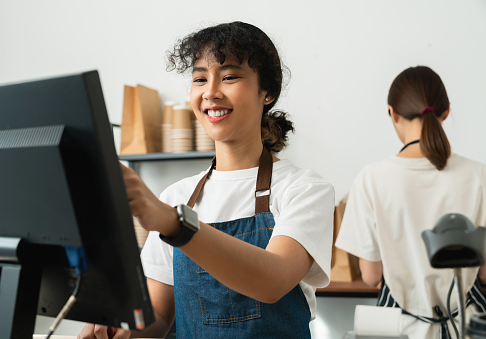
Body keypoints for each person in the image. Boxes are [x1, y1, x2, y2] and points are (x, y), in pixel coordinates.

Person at [77, 21, 334, 339]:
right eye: (200, 78)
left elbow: (273, 280)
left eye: (229, 77)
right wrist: (123, 327)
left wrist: (175, 224)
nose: (210, 92)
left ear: (267, 92)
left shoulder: (304, 190)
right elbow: (158, 315)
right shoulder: (178, 195)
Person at [335, 65, 486, 338]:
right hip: (470, 325)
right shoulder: (479, 176)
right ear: (446, 110)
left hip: (398, 328)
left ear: (392, 114)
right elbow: (484, 272)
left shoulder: (371, 179)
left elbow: (370, 276)